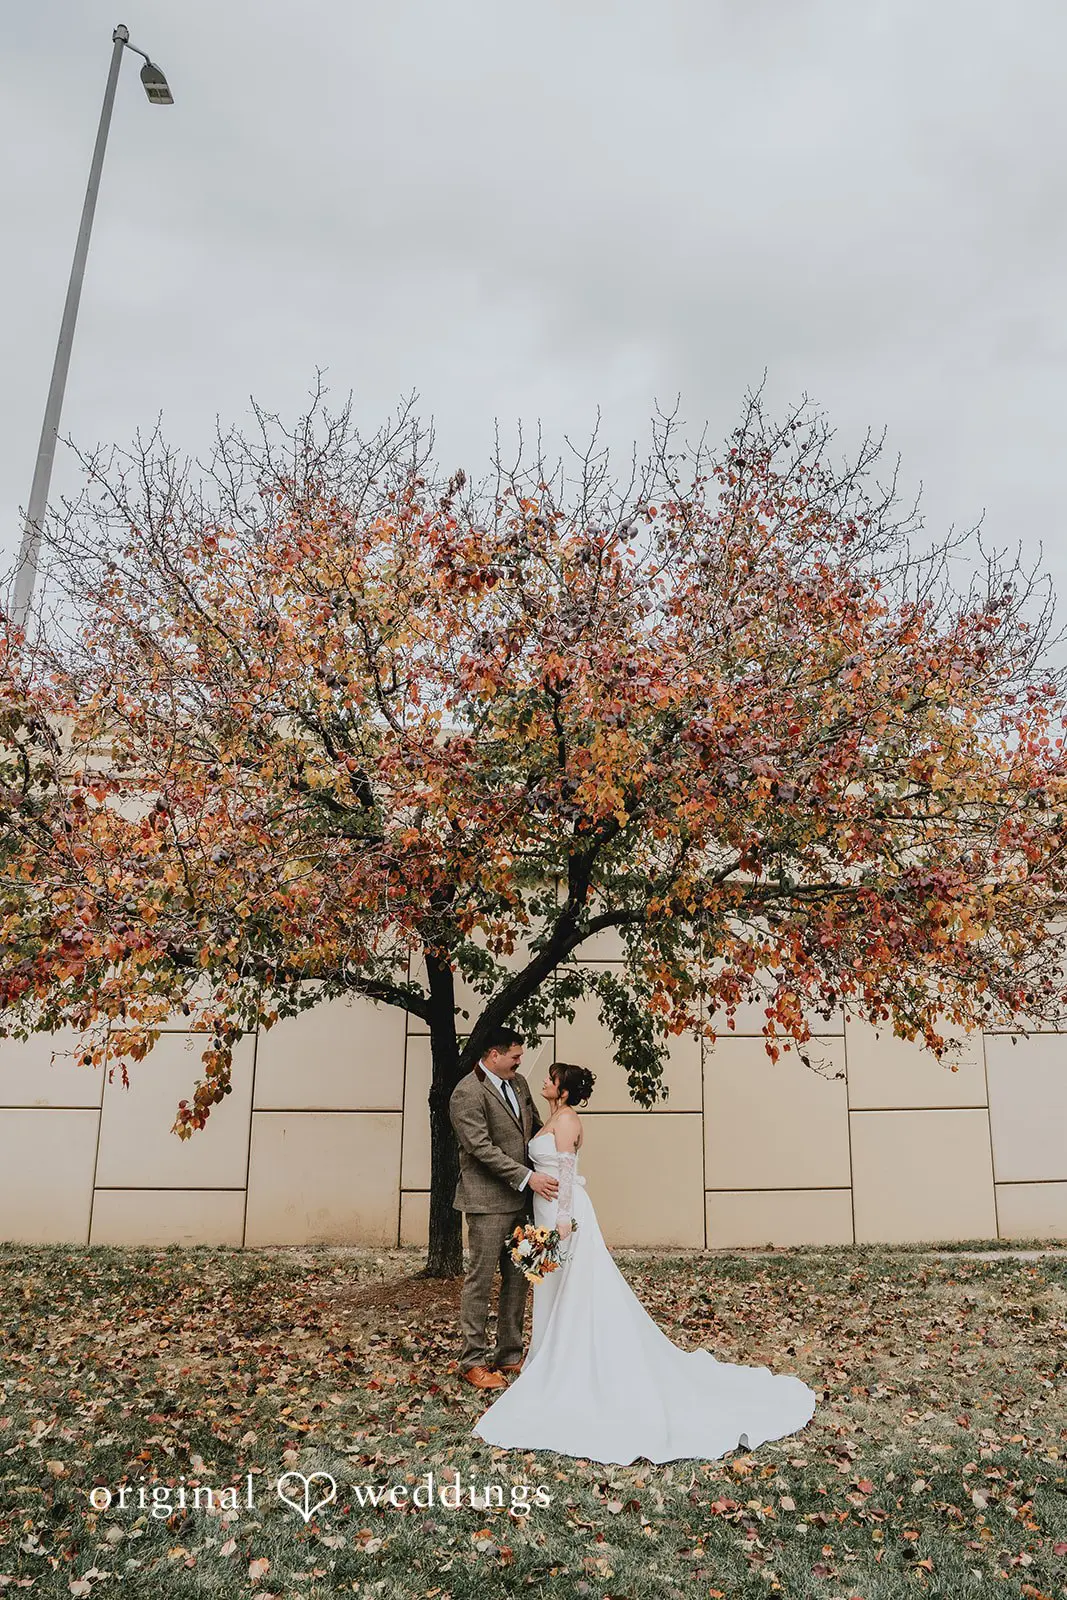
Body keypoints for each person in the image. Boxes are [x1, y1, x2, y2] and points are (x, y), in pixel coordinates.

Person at [471, 1060, 818, 1465]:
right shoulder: (548, 1116)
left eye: (552, 1079)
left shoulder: (566, 1122)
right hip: (543, 1212)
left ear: (563, 1091)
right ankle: (545, 1357)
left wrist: (563, 1218)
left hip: (563, 1216)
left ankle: (571, 1364)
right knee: (552, 1288)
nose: (544, 1082)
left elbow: (566, 1171)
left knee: (576, 1290)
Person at [448, 1028, 559, 1391]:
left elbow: (535, 1130)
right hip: (486, 1202)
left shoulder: (521, 1084)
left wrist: (557, 1157)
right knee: (479, 1281)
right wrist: (528, 1178)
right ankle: (472, 1361)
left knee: (519, 1279)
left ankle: (509, 1353)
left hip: (523, 1202)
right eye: (514, 1056)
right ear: (493, 1054)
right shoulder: (466, 1092)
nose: (520, 1061)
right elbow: (480, 1148)